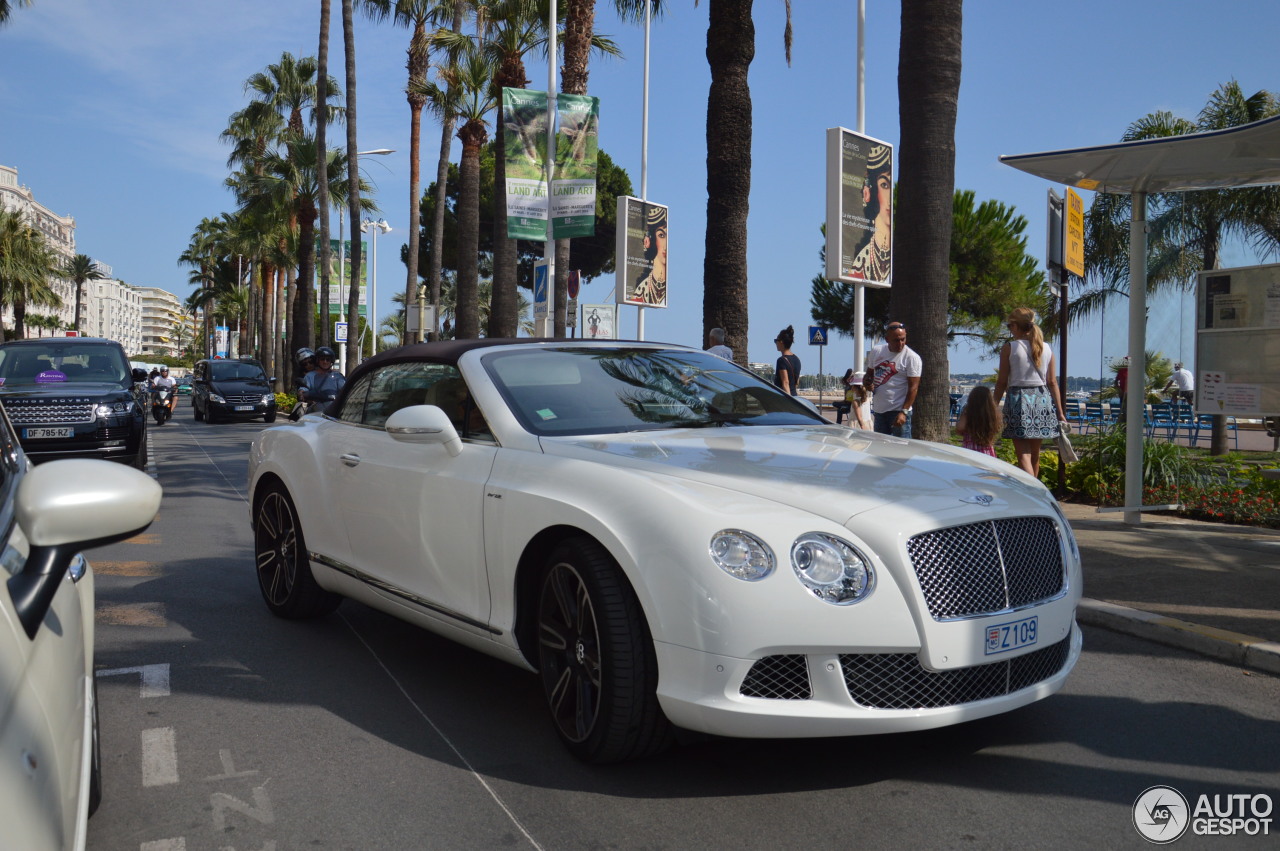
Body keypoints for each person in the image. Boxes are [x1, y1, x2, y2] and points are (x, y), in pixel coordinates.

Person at [994, 307, 1064, 478]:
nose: (1009, 330)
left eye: (1010, 326)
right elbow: (1052, 382)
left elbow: (1002, 381)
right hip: (1042, 400)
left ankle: (1032, 492)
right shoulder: (1046, 348)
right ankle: (1037, 493)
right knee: (1035, 454)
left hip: (1019, 399)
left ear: (1016, 326)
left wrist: (993, 405)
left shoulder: (1010, 347)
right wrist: (1060, 412)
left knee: (1023, 455)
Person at [863, 321, 921, 437]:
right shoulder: (877, 351)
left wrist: (904, 412)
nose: (900, 343)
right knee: (880, 450)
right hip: (879, 411)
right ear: (887, 339)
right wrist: (868, 383)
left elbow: (913, 388)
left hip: (898, 411)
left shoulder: (911, 358)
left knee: (901, 450)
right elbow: (869, 375)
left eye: (903, 339)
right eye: (896, 340)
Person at [850, 143, 892, 282]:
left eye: (890, 186)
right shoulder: (860, 265)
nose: (890, 196)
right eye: (884, 185)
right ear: (870, 193)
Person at [632, 204, 668, 306]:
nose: (665, 244)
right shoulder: (640, 292)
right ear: (650, 240)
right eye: (661, 235)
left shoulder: (668, 288)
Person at [956, 385, 1002, 457]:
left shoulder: (967, 412)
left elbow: (960, 427)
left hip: (970, 450)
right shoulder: (992, 414)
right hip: (987, 450)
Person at [773, 325, 801, 396]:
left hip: (784, 399)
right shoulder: (797, 359)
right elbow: (796, 382)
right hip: (795, 396)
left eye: (776, 341)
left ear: (781, 342)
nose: (776, 343)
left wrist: (789, 401)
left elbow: (785, 382)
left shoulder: (781, 360)